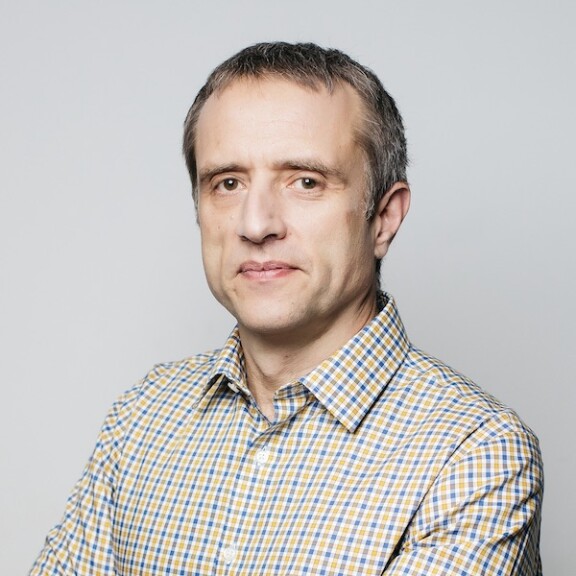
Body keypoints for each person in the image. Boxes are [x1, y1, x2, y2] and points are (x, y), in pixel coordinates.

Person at [30, 42, 543, 575]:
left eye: (305, 182)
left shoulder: (475, 454)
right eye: (228, 183)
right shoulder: (142, 417)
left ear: (384, 218)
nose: (256, 224)